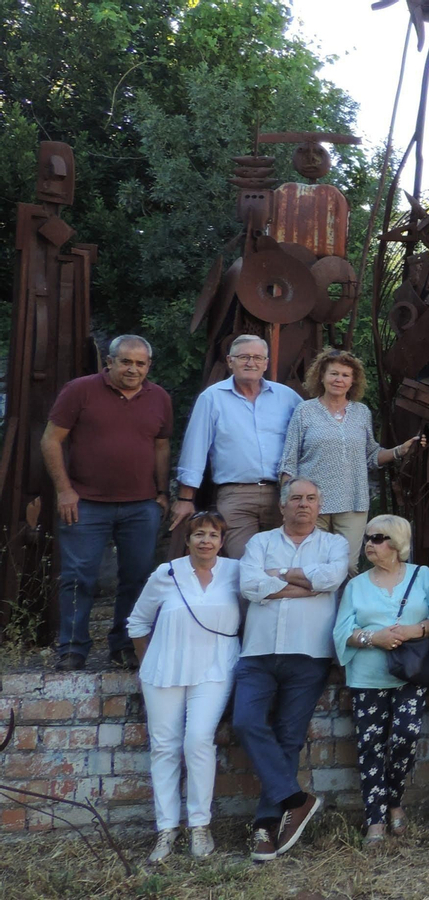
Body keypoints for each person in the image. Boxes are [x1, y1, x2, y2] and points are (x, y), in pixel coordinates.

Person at [42, 334, 172, 670]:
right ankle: (72, 648)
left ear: (149, 366)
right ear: (109, 363)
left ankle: (124, 645)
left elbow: (161, 446)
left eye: (140, 363)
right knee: (78, 576)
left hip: (141, 504)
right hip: (85, 502)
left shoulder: (159, 397)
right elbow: (51, 440)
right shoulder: (79, 390)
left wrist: (161, 492)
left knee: (137, 577)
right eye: (126, 361)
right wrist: (64, 489)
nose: (133, 369)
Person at [234, 478, 348, 862]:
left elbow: (331, 579)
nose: (303, 504)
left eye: (311, 499)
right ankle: (296, 798)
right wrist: (306, 582)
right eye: (296, 498)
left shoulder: (334, 545)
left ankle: (265, 826)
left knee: (289, 737)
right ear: (282, 506)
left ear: (320, 506)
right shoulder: (259, 543)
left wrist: (277, 575)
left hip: (309, 654)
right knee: (246, 722)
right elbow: (250, 585)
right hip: (258, 653)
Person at [126, 510, 240, 862]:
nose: (206, 541)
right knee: (164, 747)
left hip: (215, 670)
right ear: (187, 540)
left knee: (198, 740)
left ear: (222, 542)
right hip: (164, 671)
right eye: (199, 534)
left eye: (213, 535)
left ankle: (199, 827)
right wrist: (150, 664)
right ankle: (165, 830)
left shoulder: (235, 572)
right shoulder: (167, 573)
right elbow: (137, 622)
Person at [331, 514, 429, 845]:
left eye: (377, 538)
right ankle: (376, 817)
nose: (369, 545)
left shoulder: (423, 576)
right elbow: (341, 631)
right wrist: (371, 639)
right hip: (367, 676)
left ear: (397, 543)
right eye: (367, 538)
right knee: (370, 746)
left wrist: (414, 630)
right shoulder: (356, 585)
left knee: (406, 736)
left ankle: (394, 799)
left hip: (410, 673)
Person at [279, 348, 422, 571]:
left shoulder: (361, 412)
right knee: (310, 565)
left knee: (347, 567)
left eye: (345, 375)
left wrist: (400, 450)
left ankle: (345, 607)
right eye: (333, 374)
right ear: (322, 377)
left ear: (353, 381)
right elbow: (289, 460)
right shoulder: (304, 411)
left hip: (352, 502)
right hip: (312, 503)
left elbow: (371, 455)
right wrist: (287, 501)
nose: (339, 380)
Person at [172, 334, 299, 558]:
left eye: (258, 358)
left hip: (282, 495)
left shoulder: (287, 398)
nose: (251, 363)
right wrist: (185, 498)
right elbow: (195, 449)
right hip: (235, 496)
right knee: (244, 568)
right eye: (244, 357)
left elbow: (313, 436)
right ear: (230, 361)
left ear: (266, 364)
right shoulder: (212, 398)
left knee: (286, 561)